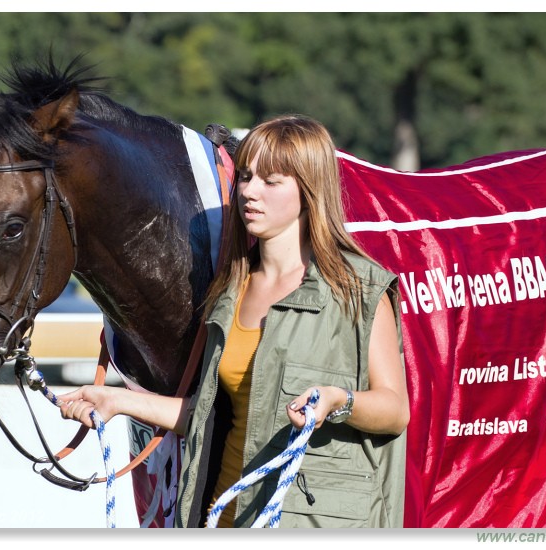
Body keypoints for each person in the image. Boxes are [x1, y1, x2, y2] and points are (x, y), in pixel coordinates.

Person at [59, 114, 409, 528]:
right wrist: (117, 402)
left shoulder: (359, 290)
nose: (249, 192)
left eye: (270, 181)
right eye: (245, 176)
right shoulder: (231, 291)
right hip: (223, 521)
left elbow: (395, 410)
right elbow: (206, 413)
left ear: (309, 191)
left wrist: (338, 401)